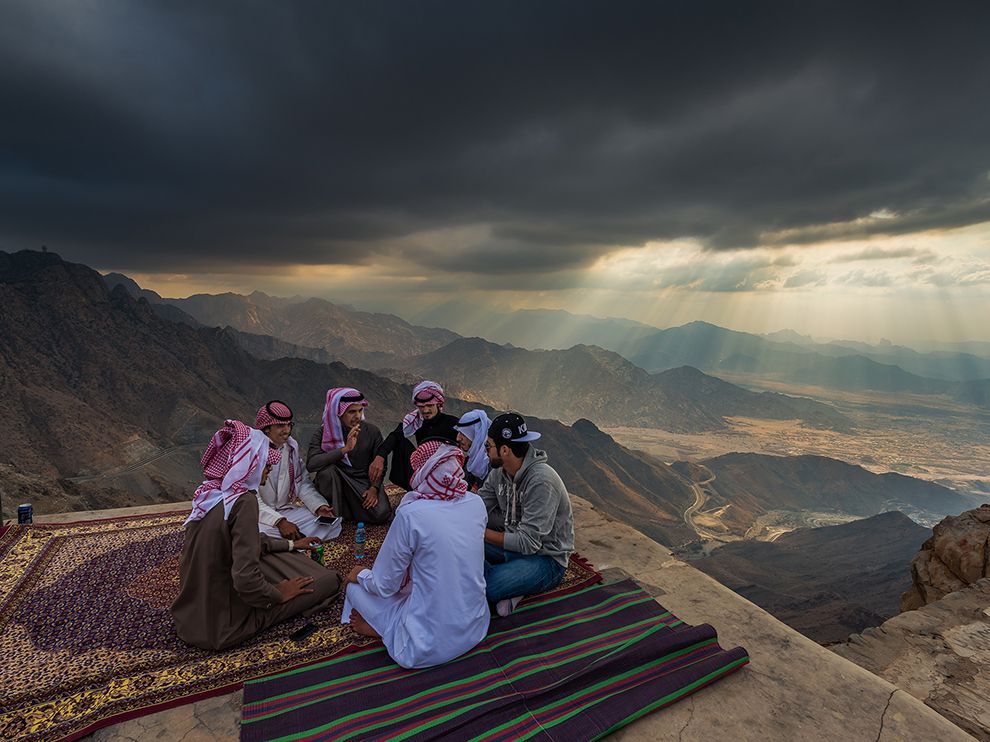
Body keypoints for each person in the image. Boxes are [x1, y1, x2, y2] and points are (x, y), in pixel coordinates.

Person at [172, 420, 341, 650]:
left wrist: (291, 544)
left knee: (273, 553)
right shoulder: (244, 501)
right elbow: (245, 579)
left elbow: (247, 544)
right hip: (223, 627)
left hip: (190, 619)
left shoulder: (210, 494)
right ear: (249, 464)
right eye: (264, 464)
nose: (268, 469)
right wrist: (278, 594)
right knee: (330, 581)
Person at [342, 439, 490, 669]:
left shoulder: (412, 514)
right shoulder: (476, 503)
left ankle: (384, 630)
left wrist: (360, 574)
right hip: (475, 628)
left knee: (354, 588)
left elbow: (385, 586)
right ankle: (387, 623)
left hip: (423, 646)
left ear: (422, 473)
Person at [479, 412, 574, 617]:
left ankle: (511, 582)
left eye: (488, 446)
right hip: (513, 545)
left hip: (545, 558)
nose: (485, 451)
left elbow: (528, 543)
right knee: (457, 545)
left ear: (505, 450)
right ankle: (512, 582)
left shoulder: (542, 481)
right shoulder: (499, 472)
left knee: (489, 586)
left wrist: (480, 534)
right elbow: (479, 506)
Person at [255, 400, 340, 542]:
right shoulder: (251, 453)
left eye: (289, 425)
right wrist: (279, 522)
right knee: (255, 534)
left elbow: (302, 483)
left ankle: (287, 543)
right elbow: (249, 498)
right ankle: (287, 543)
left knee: (331, 523)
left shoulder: (290, 449)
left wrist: (319, 506)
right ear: (267, 428)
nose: (286, 430)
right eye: (281, 425)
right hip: (258, 516)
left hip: (284, 511)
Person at [307, 387, 391, 524]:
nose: (357, 416)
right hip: (336, 482)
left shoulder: (372, 431)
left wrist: (374, 488)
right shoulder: (323, 433)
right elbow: (312, 464)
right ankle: (335, 512)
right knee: (327, 473)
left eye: (360, 410)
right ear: (338, 413)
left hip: (362, 482)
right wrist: (344, 449)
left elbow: (380, 465)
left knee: (381, 513)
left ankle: (348, 511)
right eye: (351, 412)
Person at [370, 380, 459, 491]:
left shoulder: (452, 423)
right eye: (421, 407)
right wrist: (380, 457)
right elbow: (395, 435)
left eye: (430, 405)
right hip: (422, 469)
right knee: (399, 439)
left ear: (439, 404)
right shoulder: (416, 421)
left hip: (446, 473)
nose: (425, 410)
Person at [453, 409, 492, 491]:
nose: (458, 438)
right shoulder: (470, 462)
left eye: (463, 434)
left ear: (476, 435)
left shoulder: (494, 464)